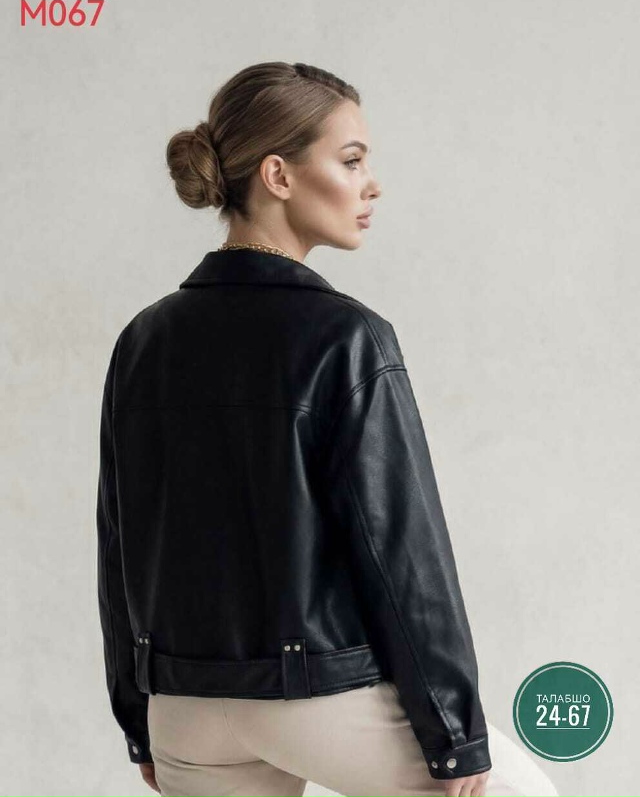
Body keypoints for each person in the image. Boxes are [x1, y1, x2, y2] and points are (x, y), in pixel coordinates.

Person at [96, 61, 559, 797]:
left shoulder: (143, 340)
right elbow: (402, 552)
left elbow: (119, 544)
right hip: (312, 700)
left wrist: (137, 719)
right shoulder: (347, 337)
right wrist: (455, 736)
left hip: (183, 707)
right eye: (351, 160)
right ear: (278, 175)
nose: (371, 185)